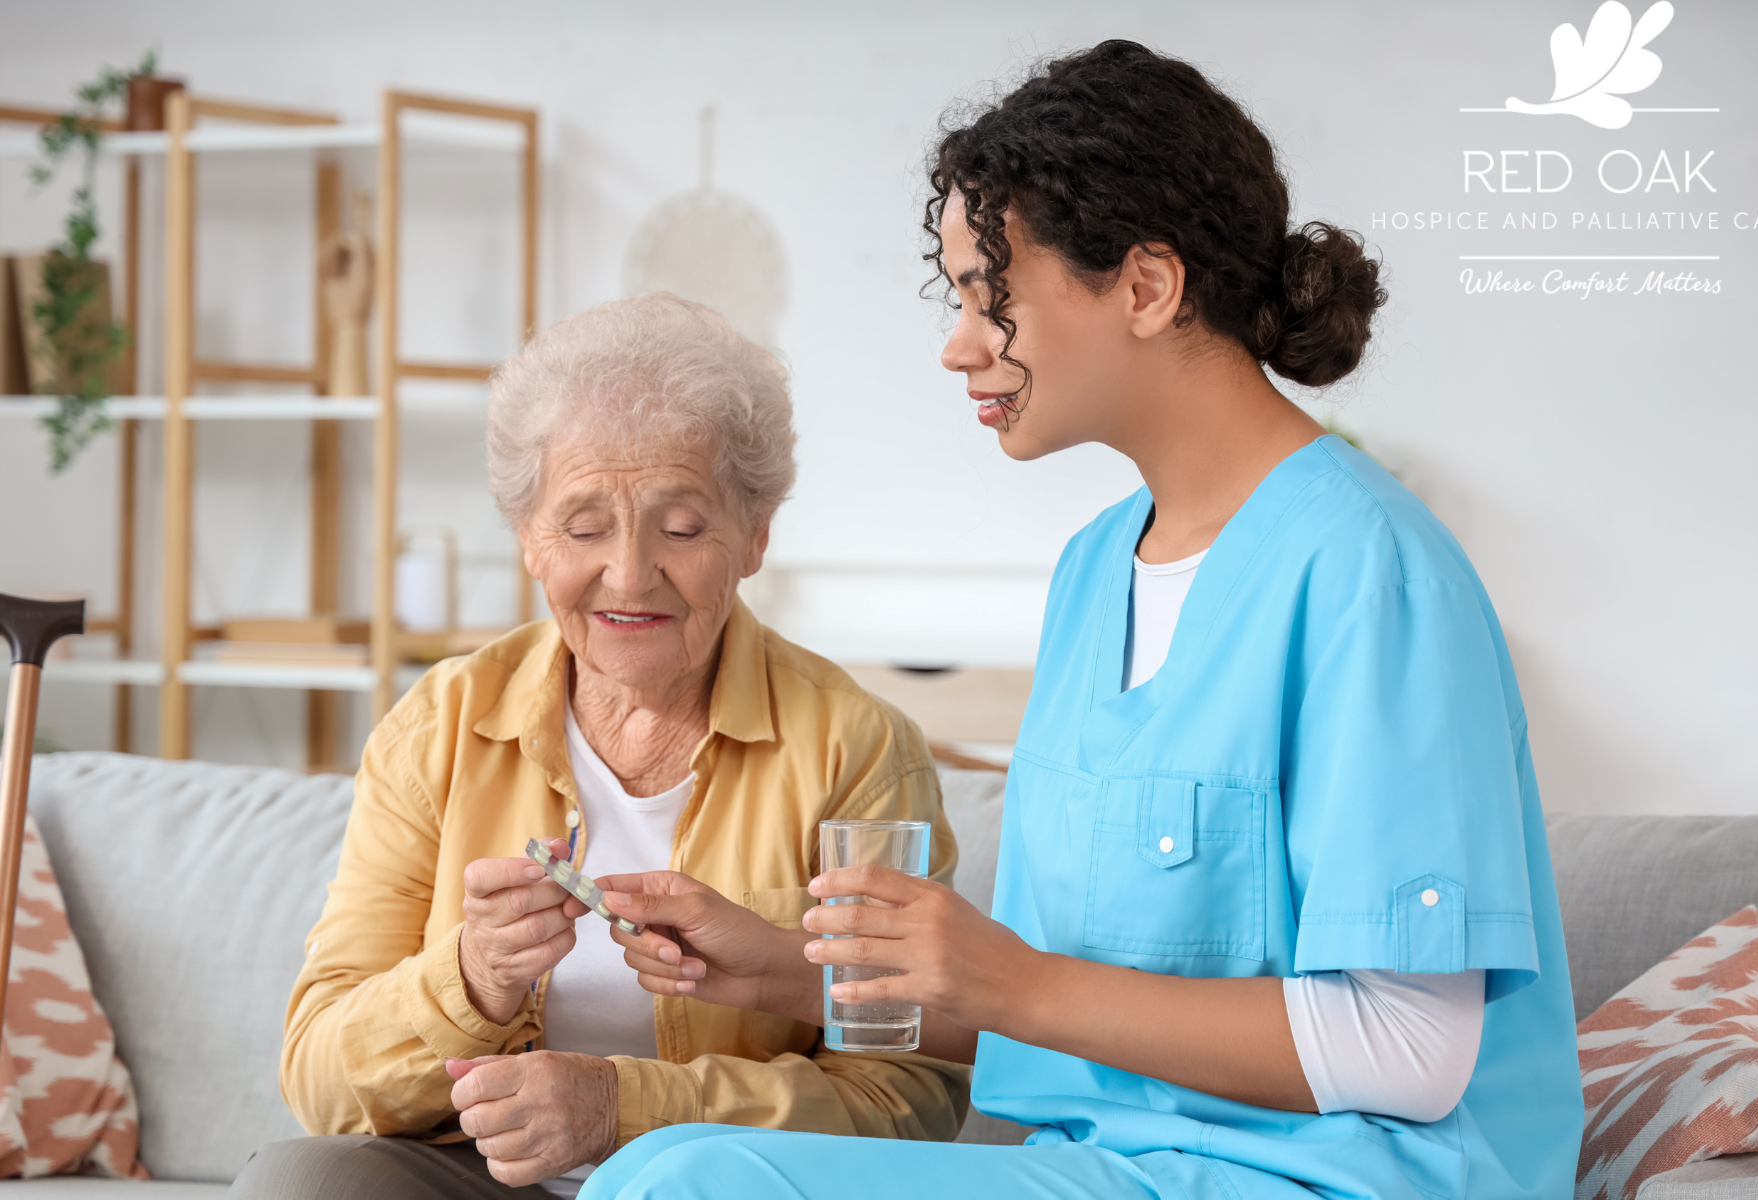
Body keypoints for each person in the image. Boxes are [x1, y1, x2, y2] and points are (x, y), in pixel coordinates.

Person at [581, 41, 1581, 1200]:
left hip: (1347, 1181)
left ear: (1147, 287)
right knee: (666, 1167)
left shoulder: (1370, 571)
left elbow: (1413, 1053)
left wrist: (1010, 982)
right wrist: (790, 977)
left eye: (986, 293)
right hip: (1118, 1168)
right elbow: (1079, 1022)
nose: (958, 344)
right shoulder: (1093, 572)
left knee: (689, 1188)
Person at [231, 294, 968, 1200]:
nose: (628, 574)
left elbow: (906, 1093)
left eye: (684, 527)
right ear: (530, 540)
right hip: (477, 1174)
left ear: (754, 538)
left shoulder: (854, 746)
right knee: (304, 1181)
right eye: (583, 527)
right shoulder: (438, 728)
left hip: (720, 1182)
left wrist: (625, 1107)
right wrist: (471, 978)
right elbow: (319, 1079)